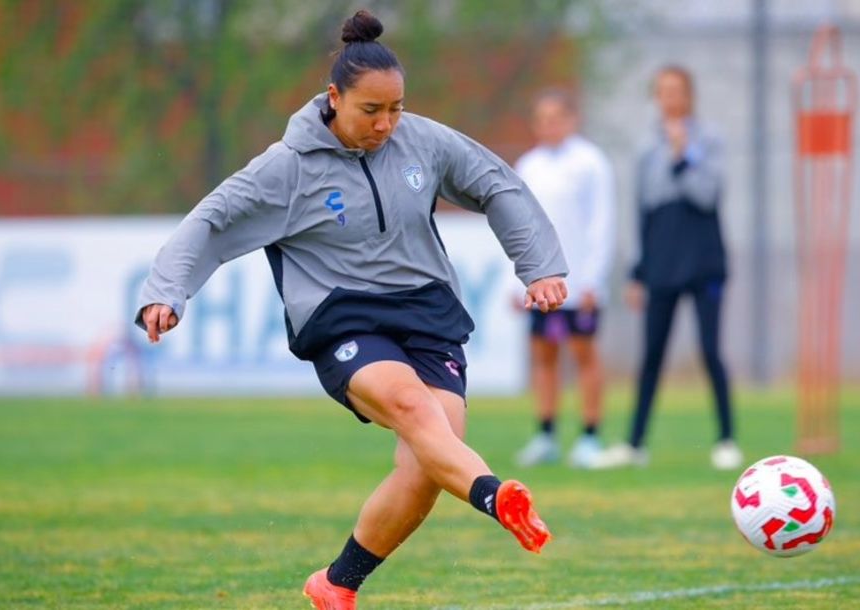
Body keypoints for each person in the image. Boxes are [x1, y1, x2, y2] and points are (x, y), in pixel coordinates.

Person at [134, 11, 568, 609]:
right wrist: (167, 289)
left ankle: (337, 584)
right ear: (334, 98)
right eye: (371, 111)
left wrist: (540, 265)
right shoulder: (286, 168)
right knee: (415, 409)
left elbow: (497, 184)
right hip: (343, 318)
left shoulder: (423, 140)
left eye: (396, 108)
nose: (387, 123)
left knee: (428, 463)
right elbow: (214, 220)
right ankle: (497, 497)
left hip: (426, 314)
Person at [591, 65, 742, 471]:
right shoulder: (644, 148)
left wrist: (682, 155)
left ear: (690, 95)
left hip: (704, 261)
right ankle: (634, 443)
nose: (670, 98)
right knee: (653, 355)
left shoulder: (709, 140)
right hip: (661, 263)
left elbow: (708, 195)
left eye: (677, 90)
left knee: (710, 350)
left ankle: (727, 439)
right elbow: (642, 211)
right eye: (663, 91)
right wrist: (637, 272)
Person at [512, 89, 616, 468]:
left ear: (572, 119)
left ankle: (590, 436)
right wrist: (517, 282)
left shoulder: (590, 162)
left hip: (579, 284)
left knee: (584, 355)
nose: (549, 125)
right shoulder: (529, 166)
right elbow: (518, 227)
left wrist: (593, 280)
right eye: (542, 118)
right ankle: (546, 434)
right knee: (543, 356)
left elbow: (601, 222)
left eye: (556, 116)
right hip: (542, 283)